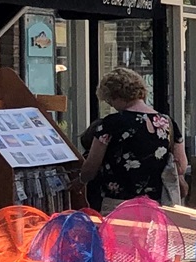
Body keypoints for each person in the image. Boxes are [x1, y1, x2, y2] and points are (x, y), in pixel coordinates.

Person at [80, 66, 188, 209]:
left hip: (118, 205)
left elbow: (91, 167)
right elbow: (181, 166)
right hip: (156, 206)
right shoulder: (167, 123)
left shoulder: (110, 124)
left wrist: (80, 180)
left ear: (116, 95)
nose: (112, 105)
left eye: (109, 100)